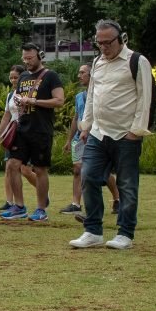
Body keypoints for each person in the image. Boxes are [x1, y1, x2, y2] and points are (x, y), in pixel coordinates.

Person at [70, 20, 153, 250]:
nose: (104, 47)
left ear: (121, 39)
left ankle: (125, 233)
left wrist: (136, 131)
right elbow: (92, 95)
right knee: (88, 177)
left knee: (127, 184)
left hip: (126, 134)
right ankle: (93, 230)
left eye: (108, 42)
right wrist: (86, 126)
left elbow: (145, 98)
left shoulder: (137, 61)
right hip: (98, 132)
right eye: (99, 43)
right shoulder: (97, 62)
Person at [1, 43, 64, 222]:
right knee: (13, 164)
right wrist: (21, 102)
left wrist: (34, 101)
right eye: (24, 58)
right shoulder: (22, 78)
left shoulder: (51, 76)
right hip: (22, 128)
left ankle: (41, 209)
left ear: (40, 56)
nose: (27, 61)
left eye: (30, 58)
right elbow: (20, 100)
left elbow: (59, 101)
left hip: (41, 130)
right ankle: (19, 206)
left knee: (40, 169)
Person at [61, 64, 119, 215]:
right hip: (79, 138)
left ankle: (117, 199)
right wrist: (69, 139)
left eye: (82, 73)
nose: (79, 76)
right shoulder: (79, 96)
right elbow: (76, 117)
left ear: (92, 75)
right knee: (77, 169)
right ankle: (75, 203)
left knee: (102, 172)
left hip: (96, 137)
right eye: (79, 72)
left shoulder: (100, 94)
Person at [0, 65, 40, 211]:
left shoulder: (30, 94)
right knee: (9, 168)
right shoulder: (10, 96)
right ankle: (10, 201)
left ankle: (43, 192)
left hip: (27, 133)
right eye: (11, 77)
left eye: (16, 77)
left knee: (25, 170)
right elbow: (6, 117)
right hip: (12, 135)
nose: (13, 80)